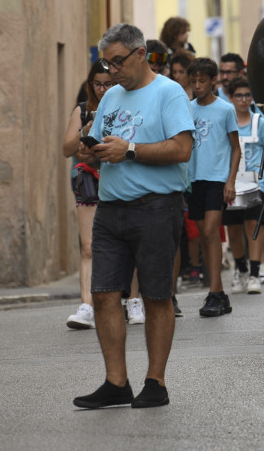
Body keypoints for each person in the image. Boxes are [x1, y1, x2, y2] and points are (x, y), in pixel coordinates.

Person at [73, 23, 194, 410]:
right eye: (106, 65)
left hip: (157, 207)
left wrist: (129, 151)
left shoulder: (168, 93)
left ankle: (155, 381)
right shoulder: (110, 99)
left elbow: (181, 149)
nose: (111, 72)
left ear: (141, 54)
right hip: (110, 208)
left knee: (158, 296)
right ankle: (116, 382)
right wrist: (93, 151)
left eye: (117, 62)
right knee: (104, 293)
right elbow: (105, 142)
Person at [185, 58, 240, 318]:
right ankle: (218, 293)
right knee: (203, 235)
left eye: (202, 80)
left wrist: (230, 181)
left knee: (210, 230)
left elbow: (236, 148)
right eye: (193, 80)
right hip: (193, 179)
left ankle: (215, 291)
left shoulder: (225, 110)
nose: (197, 85)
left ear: (213, 81)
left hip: (217, 178)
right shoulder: (187, 108)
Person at [62, 61, 114, 330]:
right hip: (88, 179)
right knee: (88, 246)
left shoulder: (122, 107)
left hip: (119, 179)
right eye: (98, 83)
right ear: (89, 84)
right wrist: (85, 131)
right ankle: (86, 306)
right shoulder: (82, 110)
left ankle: (133, 299)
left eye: (108, 83)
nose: (103, 89)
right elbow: (67, 148)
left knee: (125, 242)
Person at [221, 77, 264, 297]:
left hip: (254, 182)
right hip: (231, 182)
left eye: (247, 95)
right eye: (239, 95)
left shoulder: (259, 121)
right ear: (231, 98)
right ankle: (240, 268)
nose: (243, 100)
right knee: (233, 228)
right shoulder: (226, 120)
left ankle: (254, 272)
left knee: (253, 225)